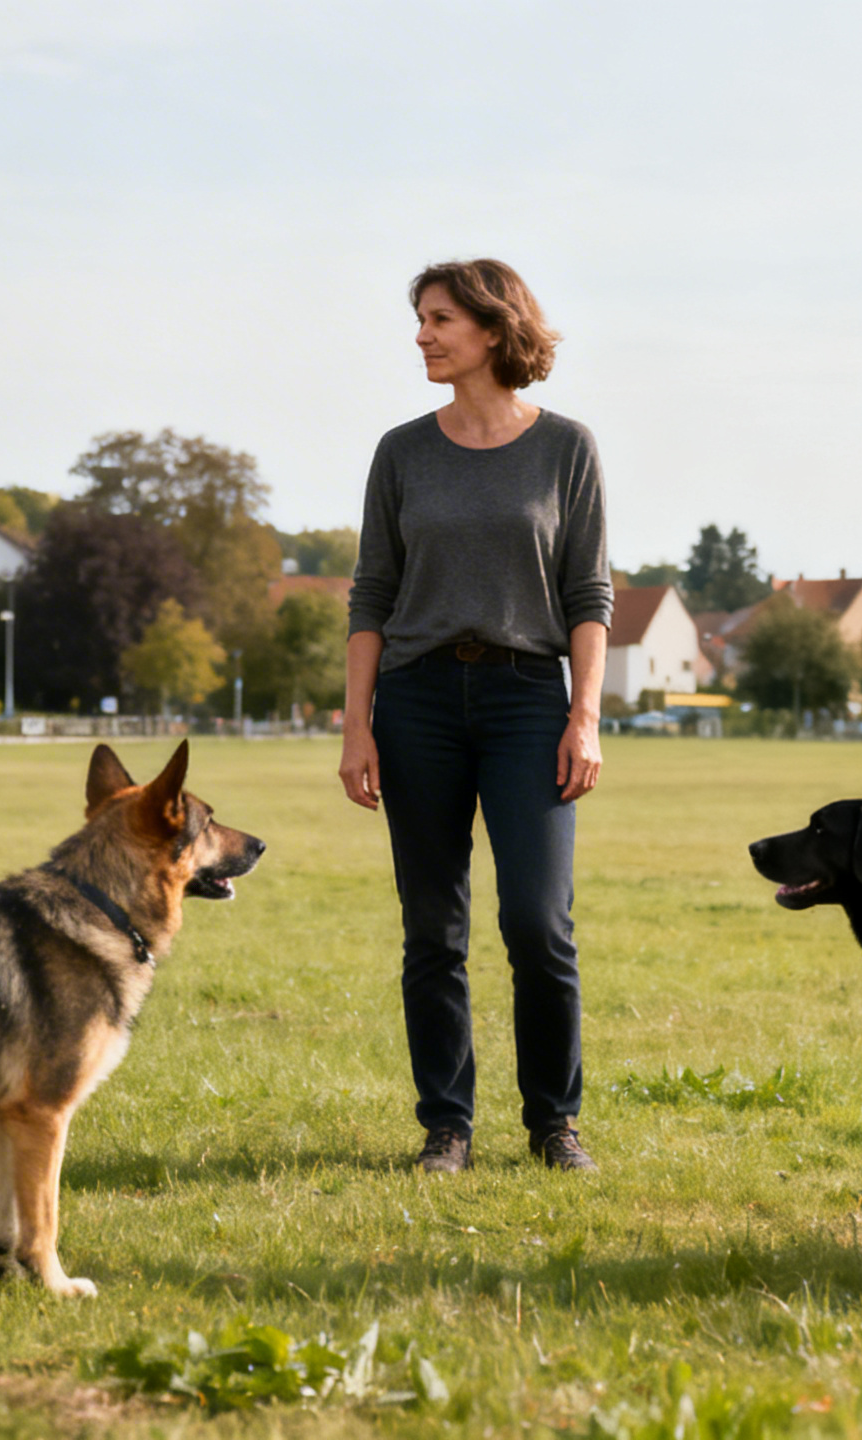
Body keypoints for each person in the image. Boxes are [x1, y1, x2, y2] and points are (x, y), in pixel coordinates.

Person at [340, 258, 612, 1174]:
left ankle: (553, 1122)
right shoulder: (401, 451)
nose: (421, 335)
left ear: (493, 330)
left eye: (439, 318)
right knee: (433, 930)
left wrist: (586, 716)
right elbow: (372, 593)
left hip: (530, 701)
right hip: (416, 701)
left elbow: (589, 593)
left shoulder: (566, 448)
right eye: (419, 318)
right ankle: (446, 1126)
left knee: (538, 922)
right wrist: (357, 724)